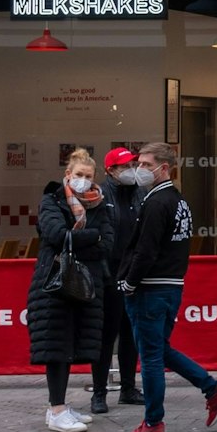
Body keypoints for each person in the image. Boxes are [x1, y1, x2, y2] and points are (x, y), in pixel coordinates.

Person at [114, 142, 217, 432]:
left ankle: (154, 422)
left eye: (145, 164)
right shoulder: (178, 201)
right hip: (169, 286)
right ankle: (212, 389)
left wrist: (130, 282)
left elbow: (146, 250)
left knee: (151, 357)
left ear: (164, 168)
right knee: (160, 350)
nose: (139, 170)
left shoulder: (157, 202)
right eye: (139, 164)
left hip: (150, 288)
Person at [28, 148, 115, 432]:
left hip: (85, 286)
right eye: (79, 174)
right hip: (54, 285)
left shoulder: (99, 204)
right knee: (56, 346)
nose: (83, 180)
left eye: (88, 176)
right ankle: (56, 410)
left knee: (73, 346)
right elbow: (55, 235)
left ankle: (61, 406)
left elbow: (107, 243)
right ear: (68, 174)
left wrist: (78, 238)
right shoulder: (52, 200)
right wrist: (91, 236)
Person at [92, 147, 145, 413]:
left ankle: (128, 388)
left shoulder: (140, 193)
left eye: (133, 165)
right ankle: (99, 392)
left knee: (130, 334)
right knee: (106, 335)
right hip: (109, 274)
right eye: (124, 166)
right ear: (110, 170)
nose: (130, 170)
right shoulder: (101, 195)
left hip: (133, 273)